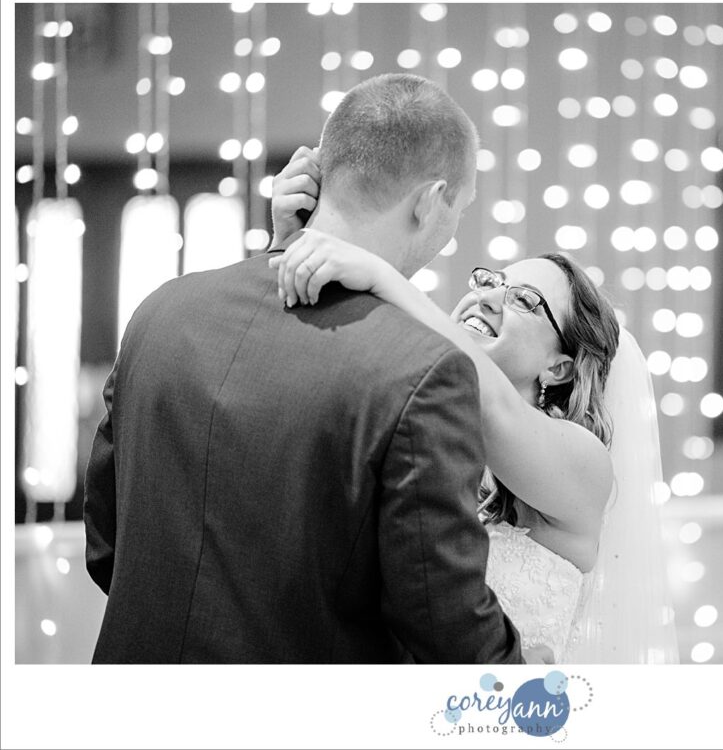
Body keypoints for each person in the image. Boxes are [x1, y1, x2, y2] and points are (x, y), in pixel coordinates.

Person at [83, 73, 525, 664]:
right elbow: (444, 626)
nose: (451, 232)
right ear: (428, 200)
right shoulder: (423, 370)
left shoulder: (161, 311)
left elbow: (106, 546)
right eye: (459, 210)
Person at [269, 150, 680, 664]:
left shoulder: (585, 463)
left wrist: (381, 275)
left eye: (524, 301)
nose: (489, 298)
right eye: (491, 282)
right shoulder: (421, 427)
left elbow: (498, 409)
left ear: (559, 369)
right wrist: (292, 248)